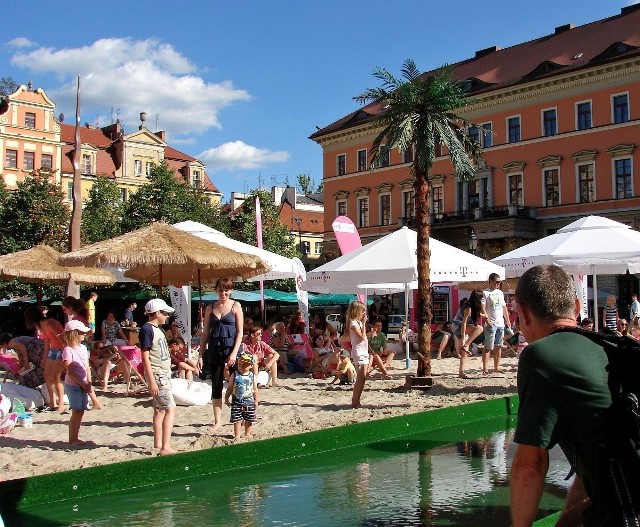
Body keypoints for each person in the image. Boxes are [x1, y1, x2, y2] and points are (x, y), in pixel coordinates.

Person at [510, 264, 623, 527]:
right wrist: (567, 521)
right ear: (576, 306)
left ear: (524, 313)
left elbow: (531, 465)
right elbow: (597, 452)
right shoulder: (609, 347)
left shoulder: (541, 356)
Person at [199, 277, 244, 434]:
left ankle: (240, 418)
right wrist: (200, 353)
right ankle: (217, 421)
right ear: (216, 290)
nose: (223, 293)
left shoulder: (236, 306)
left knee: (238, 384)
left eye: (226, 290)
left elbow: (240, 332)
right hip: (215, 348)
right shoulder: (210, 308)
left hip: (232, 347)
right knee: (216, 384)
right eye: (220, 290)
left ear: (230, 290)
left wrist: (233, 353)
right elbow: (205, 333)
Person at [140, 298, 177, 456]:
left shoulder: (156, 329)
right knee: (170, 408)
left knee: (159, 410)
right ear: (157, 313)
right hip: (158, 374)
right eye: (165, 313)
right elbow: (145, 356)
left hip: (161, 373)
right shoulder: (147, 329)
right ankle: (165, 446)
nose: (167, 316)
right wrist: (152, 380)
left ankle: (158, 443)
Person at [23, 306, 66, 412]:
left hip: (61, 349)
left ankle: (60, 403)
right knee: (47, 375)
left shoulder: (50, 323)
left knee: (56, 376)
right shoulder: (41, 325)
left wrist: (66, 355)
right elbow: (47, 342)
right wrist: (44, 358)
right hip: (53, 349)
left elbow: (63, 340)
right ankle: (52, 402)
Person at [61, 319, 97, 445]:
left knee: (81, 411)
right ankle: (72, 438)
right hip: (73, 384)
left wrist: (89, 381)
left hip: (82, 383)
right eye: (82, 332)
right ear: (75, 333)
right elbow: (70, 371)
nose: (84, 334)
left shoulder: (83, 348)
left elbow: (87, 366)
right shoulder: (68, 350)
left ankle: (76, 437)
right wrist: (84, 383)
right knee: (76, 411)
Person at [481, 273, 512, 374]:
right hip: (491, 323)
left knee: (498, 346)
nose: (498, 284)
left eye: (499, 282)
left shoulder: (500, 292)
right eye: (496, 282)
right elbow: (483, 309)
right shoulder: (485, 293)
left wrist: (507, 320)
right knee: (488, 347)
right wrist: (488, 322)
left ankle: (496, 367)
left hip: (500, 323)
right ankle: (485, 368)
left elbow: (504, 307)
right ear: (490, 281)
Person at [224, 351, 259, 440]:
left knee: (249, 419)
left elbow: (255, 389)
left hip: (249, 401)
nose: (241, 367)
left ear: (251, 366)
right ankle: (237, 435)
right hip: (236, 402)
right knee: (237, 420)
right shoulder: (234, 375)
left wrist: (256, 400)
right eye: (240, 364)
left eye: (245, 365)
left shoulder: (252, 376)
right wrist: (226, 398)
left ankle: (247, 433)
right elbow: (230, 387)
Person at [451, 291, 485, 379]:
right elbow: (464, 323)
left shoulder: (469, 305)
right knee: (480, 328)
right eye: (481, 298)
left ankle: (461, 372)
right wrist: (463, 339)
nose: (482, 300)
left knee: (464, 353)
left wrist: (481, 313)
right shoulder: (468, 308)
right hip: (458, 326)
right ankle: (466, 345)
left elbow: (483, 314)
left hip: (457, 326)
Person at [347, 300, 369, 408]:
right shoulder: (353, 323)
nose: (364, 314)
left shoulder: (358, 323)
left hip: (363, 350)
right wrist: (364, 324)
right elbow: (362, 337)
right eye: (362, 311)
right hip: (358, 351)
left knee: (364, 377)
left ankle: (357, 399)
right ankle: (354, 400)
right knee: (360, 377)